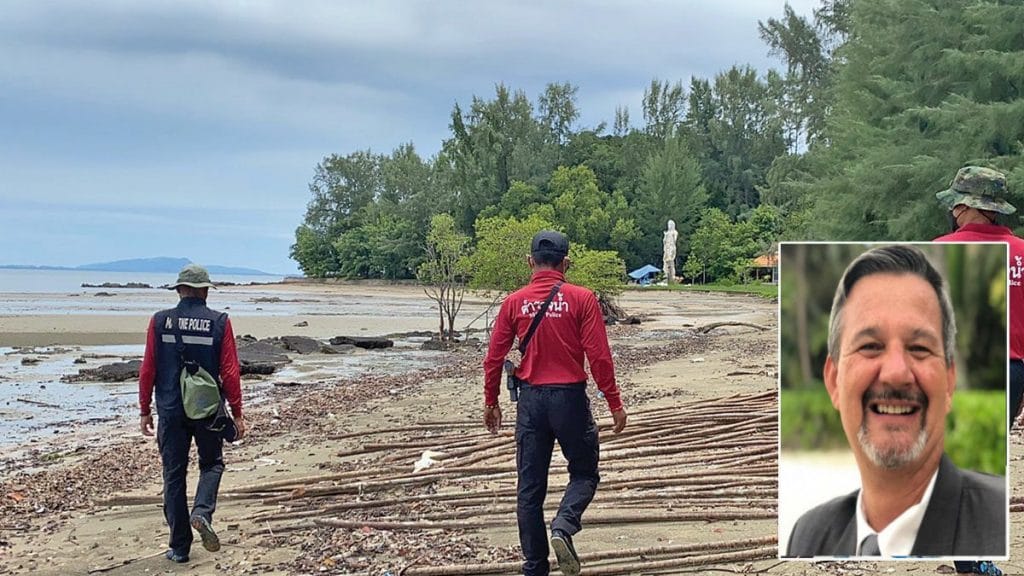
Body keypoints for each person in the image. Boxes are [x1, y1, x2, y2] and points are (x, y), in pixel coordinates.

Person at [785, 245, 1005, 560]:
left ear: (949, 382)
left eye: (918, 348)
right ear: (834, 380)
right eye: (871, 346)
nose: (896, 373)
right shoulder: (809, 537)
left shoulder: (1001, 529)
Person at [482, 230, 628, 576]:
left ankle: (534, 568)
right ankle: (563, 525)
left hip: (531, 403)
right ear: (566, 263)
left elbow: (494, 357)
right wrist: (614, 402)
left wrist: (491, 401)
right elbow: (599, 357)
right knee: (584, 473)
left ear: (530, 262)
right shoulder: (582, 298)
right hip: (569, 400)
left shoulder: (514, 302)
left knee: (529, 490)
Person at [934, 166, 1019, 576]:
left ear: (967, 207)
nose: (953, 211)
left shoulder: (942, 249)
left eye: (956, 204)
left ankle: (970, 561)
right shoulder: (1022, 254)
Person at [138, 264, 246, 563]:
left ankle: (179, 547)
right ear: (205, 290)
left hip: (171, 410)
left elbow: (148, 368)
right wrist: (237, 412)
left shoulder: (160, 321)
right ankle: (201, 512)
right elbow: (230, 372)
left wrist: (145, 409)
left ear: (179, 290)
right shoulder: (219, 322)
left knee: (173, 476)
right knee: (211, 464)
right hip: (208, 411)